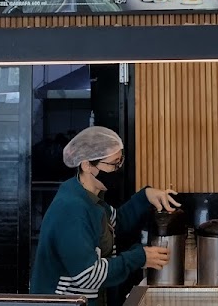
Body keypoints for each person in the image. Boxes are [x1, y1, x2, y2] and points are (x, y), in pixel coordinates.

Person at [30, 127, 180, 305]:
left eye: (120, 162)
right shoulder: (71, 209)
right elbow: (88, 275)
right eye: (113, 164)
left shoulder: (90, 198)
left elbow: (116, 222)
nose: (118, 170)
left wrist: (146, 196)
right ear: (87, 165)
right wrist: (140, 257)